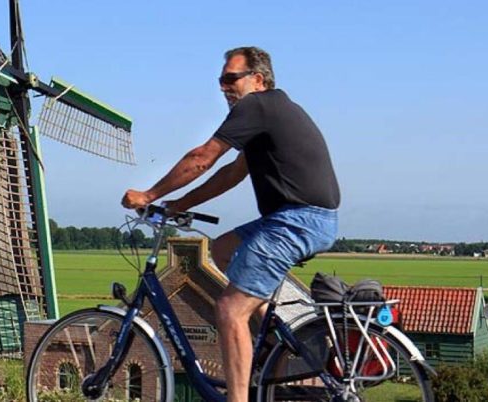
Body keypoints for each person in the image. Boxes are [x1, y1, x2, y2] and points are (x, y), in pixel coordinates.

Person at [121, 46, 340, 402]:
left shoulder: (257, 106)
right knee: (223, 250)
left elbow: (202, 158)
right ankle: (274, 334)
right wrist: (178, 204)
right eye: (220, 80)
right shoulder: (270, 113)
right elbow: (231, 174)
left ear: (258, 78)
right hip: (299, 219)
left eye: (230, 78)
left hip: (296, 222)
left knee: (229, 309)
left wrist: (148, 195)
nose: (223, 87)